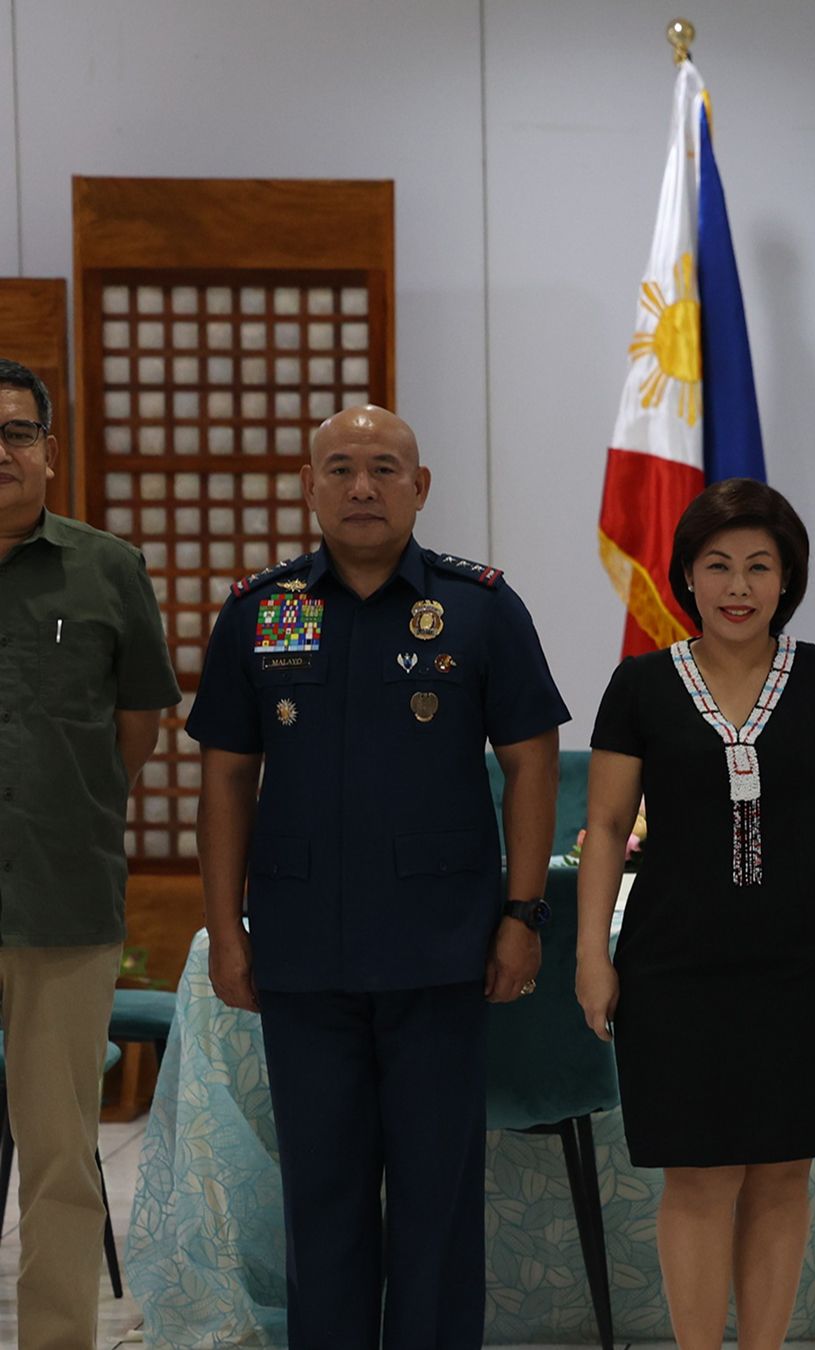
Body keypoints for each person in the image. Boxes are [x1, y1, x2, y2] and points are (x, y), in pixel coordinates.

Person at [188, 405, 568, 1348]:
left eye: (385, 468)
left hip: (443, 952)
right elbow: (228, 778)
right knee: (322, 1197)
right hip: (304, 955)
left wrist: (525, 912)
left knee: (438, 1201)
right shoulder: (260, 612)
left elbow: (531, 761)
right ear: (309, 484)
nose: (364, 486)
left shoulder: (480, 606)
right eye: (343, 467)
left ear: (420, 486)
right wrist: (228, 934)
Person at [575, 478, 815, 1350]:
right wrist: (589, 955)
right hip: (674, 962)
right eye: (718, 565)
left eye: (760, 566)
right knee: (702, 1174)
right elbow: (603, 825)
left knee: (784, 1172)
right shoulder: (639, 684)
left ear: (788, 579)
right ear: (687, 576)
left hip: (804, 959)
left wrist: (795, 845)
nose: (739, 586)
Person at [0, 359, 179, 1350]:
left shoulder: (105, 568)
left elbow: (143, 717)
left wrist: (82, 806)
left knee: (62, 1151)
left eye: (18, 432)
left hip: (63, 897)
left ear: (49, 453)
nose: (2, 451)